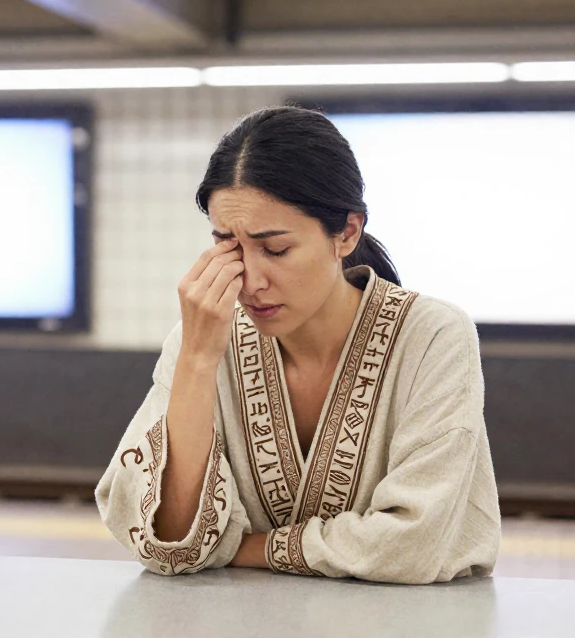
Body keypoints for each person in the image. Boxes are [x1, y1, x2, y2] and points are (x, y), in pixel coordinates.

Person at [95, 105, 500, 584]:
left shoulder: (433, 336)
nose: (251, 280)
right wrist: (199, 360)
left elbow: (411, 544)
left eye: (276, 249)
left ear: (346, 232)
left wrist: (245, 548)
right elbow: (168, 543)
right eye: (228, 244)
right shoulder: (201, 337)